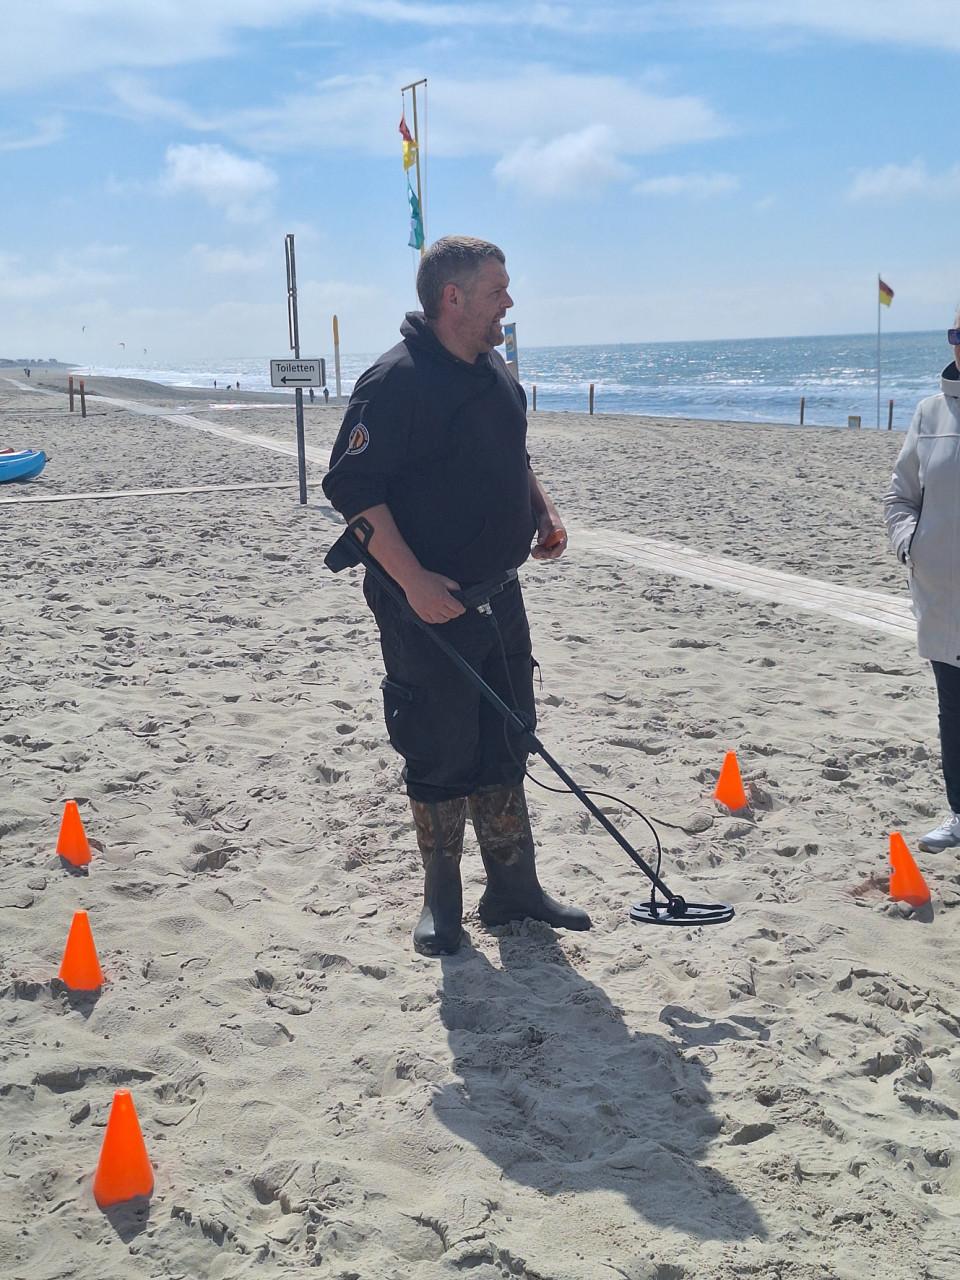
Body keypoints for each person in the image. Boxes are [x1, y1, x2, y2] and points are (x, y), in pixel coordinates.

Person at [322, 236, 591, 955]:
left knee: (508, 732)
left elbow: (512, 454)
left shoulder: (493, 368)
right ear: (453, 297)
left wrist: (543, 510)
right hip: (427, 606)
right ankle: (441, 902)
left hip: (501, 593)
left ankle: (513, 889)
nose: (509, 301)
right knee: (438, 744)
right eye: (497, 289)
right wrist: (412, 582)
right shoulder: (396, 381)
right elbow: (350, 488)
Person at [884, 316, 960, 852]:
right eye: (958, 335)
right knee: (954, 713)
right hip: (944, 599)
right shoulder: (930, 414)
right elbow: (899, 496)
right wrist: (912, 546)